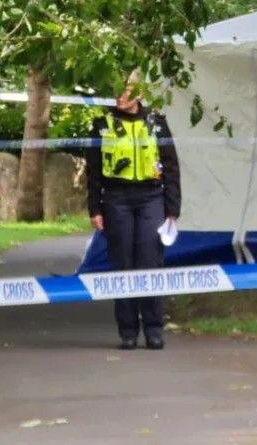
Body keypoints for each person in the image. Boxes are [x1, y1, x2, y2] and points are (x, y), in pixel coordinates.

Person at [86, 72, 181, 350]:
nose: (120, 96)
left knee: (150, 262)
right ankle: (128, 330)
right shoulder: (102, 124)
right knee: (123, 264)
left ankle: (153, 329)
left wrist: (172, 208)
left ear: (139, 94)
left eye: (126, 91)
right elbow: (92, 171)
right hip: (116, 199)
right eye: (116, 91)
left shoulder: (156, 122)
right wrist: (95, 208)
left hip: (152, 197)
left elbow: (171, 166)